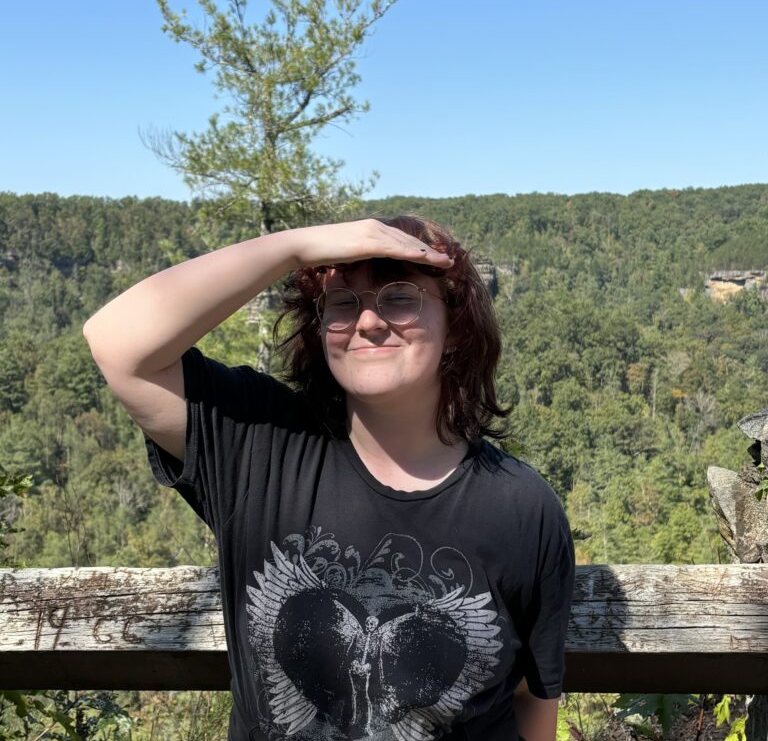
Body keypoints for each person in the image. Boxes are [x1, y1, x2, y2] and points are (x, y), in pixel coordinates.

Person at [83, 216, 575, 741]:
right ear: (319, 331)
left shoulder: (521, 507)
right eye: (342, 303)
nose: (368, 322)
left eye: (400, 297)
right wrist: (300, 246)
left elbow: (531, 706)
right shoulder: (257, 446)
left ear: (455, 327)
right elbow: (117, 343)